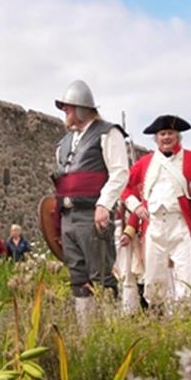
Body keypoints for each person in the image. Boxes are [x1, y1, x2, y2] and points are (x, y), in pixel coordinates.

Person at [121, 115, 191, 307]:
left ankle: (185, 319)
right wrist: (136, 207)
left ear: (178, 136)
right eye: (162, 133)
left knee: (186, 278)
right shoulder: (145, 162)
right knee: (153, 279)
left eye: (170, 133)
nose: (166, 137)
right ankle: (158, 319)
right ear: (156, 138)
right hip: (154, 226)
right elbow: (124, 186)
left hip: (181, 226)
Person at [53, 80, 129, 325]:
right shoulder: (64, 143)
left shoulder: (108, 132)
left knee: (102, 277)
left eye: (68, 108)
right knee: (78, 277)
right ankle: (87, 335)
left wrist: (103, 204)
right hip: (68, 217)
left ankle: (110, 334)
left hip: (92, 215)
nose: (65, 112)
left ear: (83, 108)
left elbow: (119, 172)